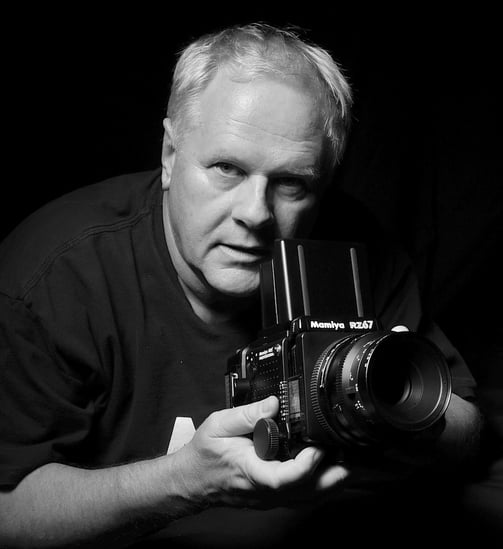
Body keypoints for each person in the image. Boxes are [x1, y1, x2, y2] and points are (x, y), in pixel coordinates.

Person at [0, 23, 481, 548]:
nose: (256, 214)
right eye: (227, 168)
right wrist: (185, 482)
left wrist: (387, 409)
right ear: (168, 155)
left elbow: (468, 429)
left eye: (292, 183)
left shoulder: (351, 252)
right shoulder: (56, 276)